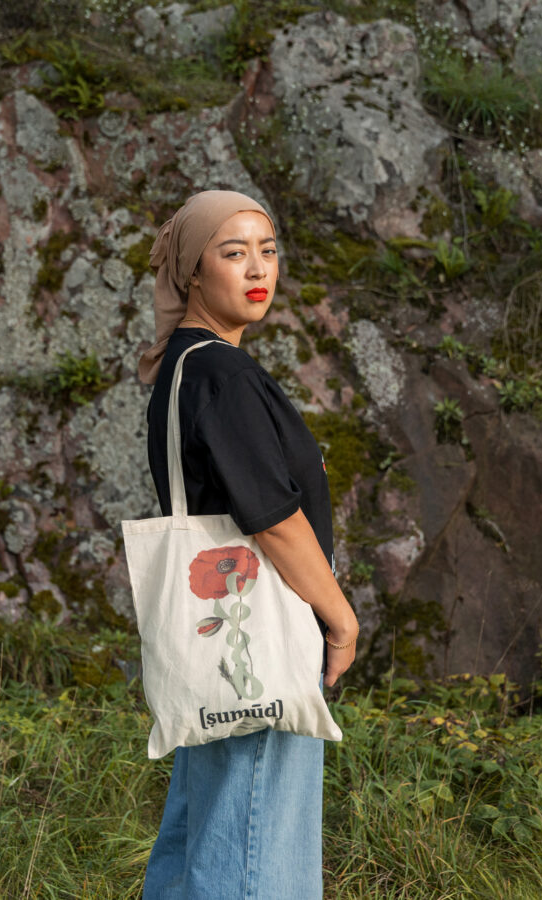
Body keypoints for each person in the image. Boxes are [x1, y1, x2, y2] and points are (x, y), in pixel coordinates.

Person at [138, 190, 359, 899]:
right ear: (192, 273)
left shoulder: (182, 366)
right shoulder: (223, 375)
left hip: (213, 649)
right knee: (258, 848)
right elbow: (272, 519)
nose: (257, 268)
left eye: (267, 250)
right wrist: (341, 616)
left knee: (206, 834)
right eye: (233, 253)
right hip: (258, 638)